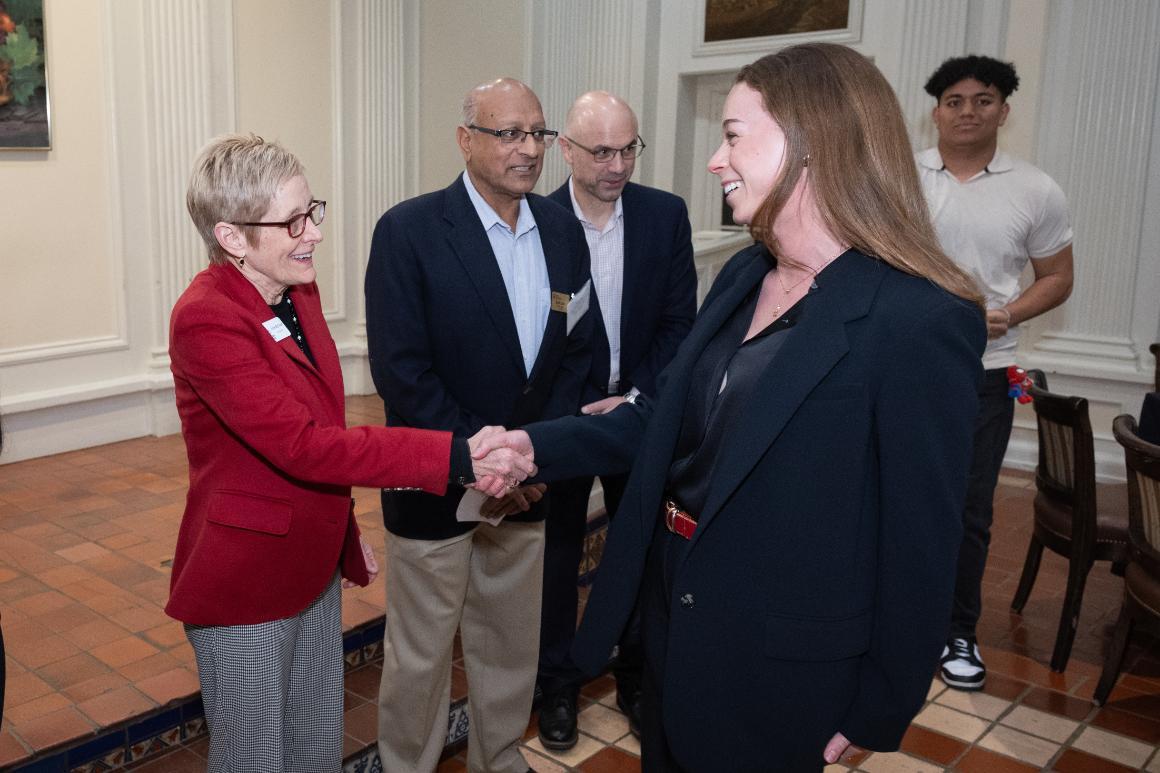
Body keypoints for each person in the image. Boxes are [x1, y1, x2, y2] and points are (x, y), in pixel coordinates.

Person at [475, 43, 987, 771]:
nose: (716, 159)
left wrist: (884, 697)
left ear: (813, 143)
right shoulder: (746, 273)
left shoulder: (920, 320)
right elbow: (664, 416)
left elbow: (921, 539)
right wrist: (535, 446)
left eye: (734, 135)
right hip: (677, 616)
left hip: (783, 658)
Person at [169, 133, 532, 773]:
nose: (313, 232)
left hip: (309, 564)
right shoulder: (206, 318)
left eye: (313, 211)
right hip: (247, 578)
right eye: (292, 221)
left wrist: (338, 532)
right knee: (254, 758)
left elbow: (319, 425)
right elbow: (305, 447)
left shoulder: (295, 293)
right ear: (231, 237)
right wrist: (455, 456)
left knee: (315, 748)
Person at [364, 78, 593, 773]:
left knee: (508, 644)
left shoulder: (561, 229)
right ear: (466, 140)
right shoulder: (408, 231)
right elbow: (403, 375)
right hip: (436, 483)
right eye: (509, 133)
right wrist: (481, 459)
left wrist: (534, 457)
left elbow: (578, 355)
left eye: (538, 134)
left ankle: (500, 757)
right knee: (422, 657)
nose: (528, 149)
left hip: (526, 486)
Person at [537, 90, 696, 750]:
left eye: (629, 147)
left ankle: (633, 676)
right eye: (602, 150)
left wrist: (634, 398)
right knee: (555, 557)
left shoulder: (665, 215)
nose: (618, 163)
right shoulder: (535, 223)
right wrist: (576, 408)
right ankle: (557, 686)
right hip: (566, 420)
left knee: (638, 552)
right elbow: (533, 338)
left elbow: (678, 325)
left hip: (641, 416)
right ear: (566, 150)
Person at [918, 55, 1074, 691]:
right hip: (906, 368)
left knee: (968, 509)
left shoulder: (1036, 189)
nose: (967, 112)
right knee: (889, 492)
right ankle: (888, 620)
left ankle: (958, 630)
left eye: (983, 100)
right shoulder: (901, 178)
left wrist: (1008, 313)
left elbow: (1058, 277)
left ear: (1004, 110)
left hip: (985, 374)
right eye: (954, 100)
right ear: (936, 110)